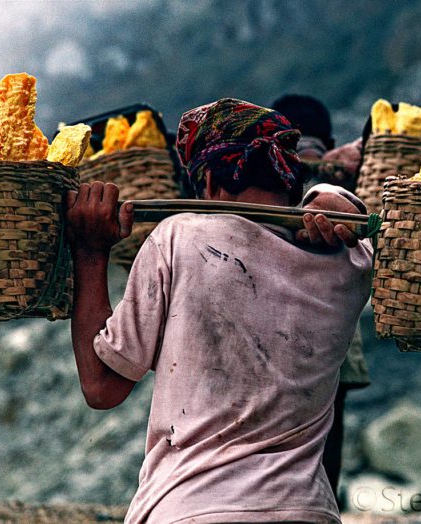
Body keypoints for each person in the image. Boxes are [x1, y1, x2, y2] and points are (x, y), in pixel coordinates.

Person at [66, 98, 373, 523]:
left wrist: (89, 251)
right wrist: (333, 195)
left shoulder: (178, 238)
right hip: (306, 510)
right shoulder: (347, 261)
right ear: (291, 179)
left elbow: (101, 388)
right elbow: (359, 219)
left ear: (208, 181)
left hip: (191, 507)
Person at [272, 94, 371, 500]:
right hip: (335, 341)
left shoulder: (274, 180)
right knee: (325, 454)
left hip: (282, 338)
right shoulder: (344, 176)